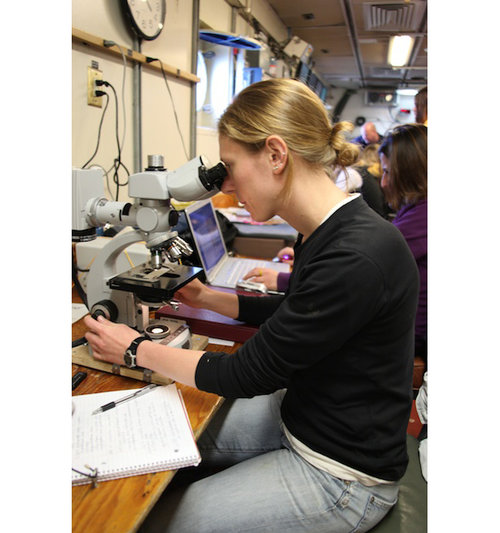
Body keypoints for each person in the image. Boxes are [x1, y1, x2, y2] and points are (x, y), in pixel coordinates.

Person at [84, 78, 419, 533]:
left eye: (231, 166)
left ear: (276, 155)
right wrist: (208, 297)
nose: (225, 184)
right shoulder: (328, 230)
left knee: (177, 518)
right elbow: (300, 313)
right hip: (303, 418)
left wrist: (133, 348)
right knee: (171, 437)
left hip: (343, 473)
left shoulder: (357, 253)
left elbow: (247, 374)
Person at [378, 124, 427, 363]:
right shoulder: (416, 208)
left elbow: (370, 260)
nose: (384, 183)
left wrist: (285, 280)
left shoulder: (425, 216)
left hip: (410, 341)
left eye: (388, 172)